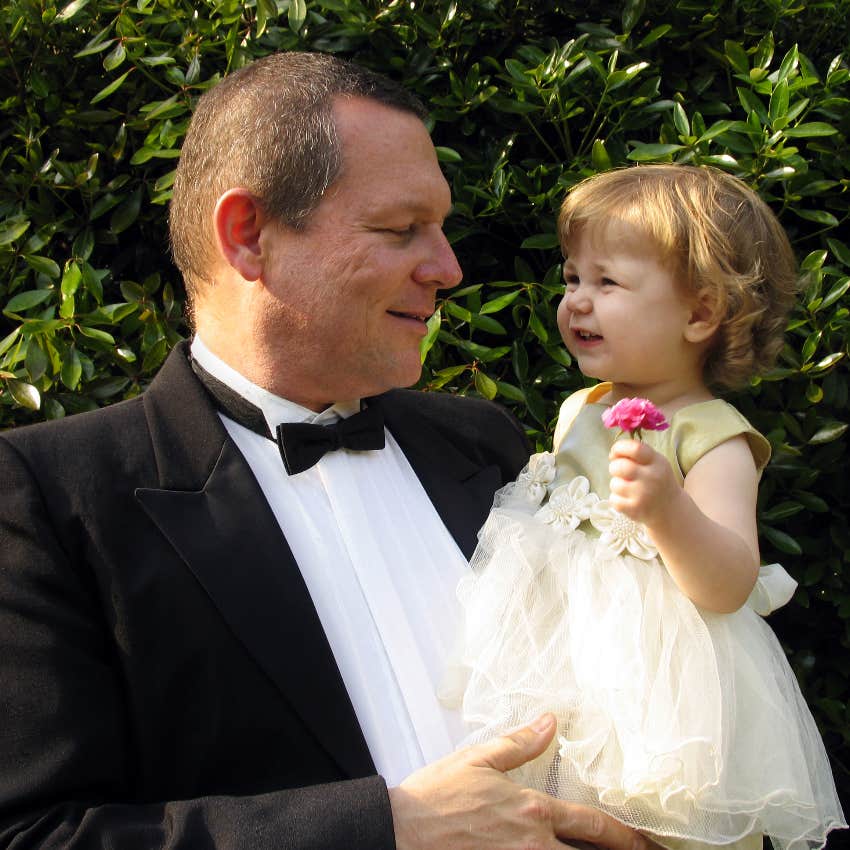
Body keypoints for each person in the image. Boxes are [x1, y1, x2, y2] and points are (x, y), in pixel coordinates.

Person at [0, 51, 653, 850]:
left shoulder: (483, 443)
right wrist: (388, 827)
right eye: (400, 228)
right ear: (248, 236)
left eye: (441, 228)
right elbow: (33, 834)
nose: (447, 268)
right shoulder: (47, 495)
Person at [443, 165, 848, 850]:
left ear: (699, 313)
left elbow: (728, 583)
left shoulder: (712, 433)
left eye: (607, 283)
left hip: (658, 686)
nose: (576, 301)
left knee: (653, 826)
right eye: (572, 278)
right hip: (564, 661)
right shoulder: (581, 410)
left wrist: (667, 510)